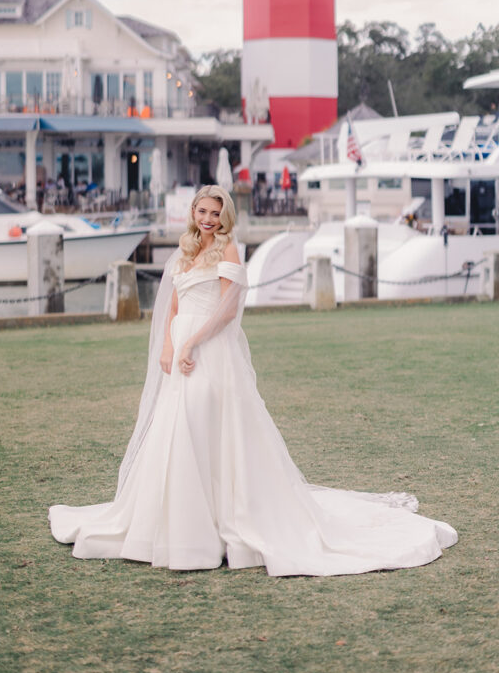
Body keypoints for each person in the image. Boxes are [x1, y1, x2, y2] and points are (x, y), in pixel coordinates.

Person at [49, 185, 457, 576]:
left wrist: (192, 342)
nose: (208, 219)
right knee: (175, 428)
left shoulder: (228, 248)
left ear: (224, 216)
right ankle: (175, 523)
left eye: (215, 213)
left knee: (208, 424)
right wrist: (169, 347)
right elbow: (175, 300)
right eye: (202, 211)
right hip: (183, 348)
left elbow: (227, 310)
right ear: (193, 213)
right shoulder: (187, 248)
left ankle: (217, 522)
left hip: (211, 350)